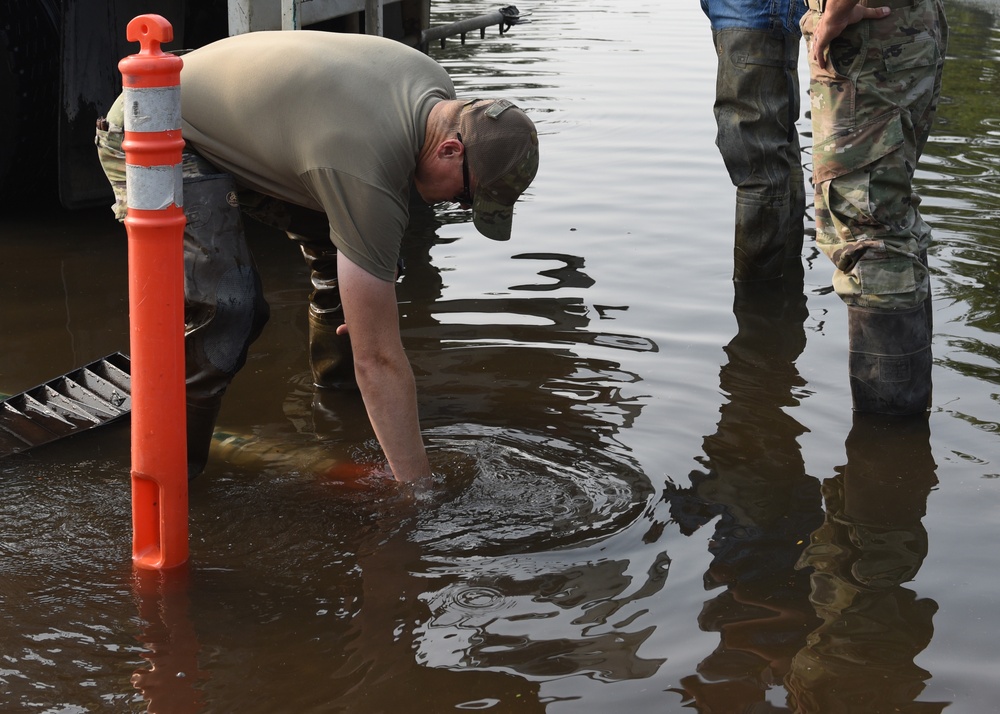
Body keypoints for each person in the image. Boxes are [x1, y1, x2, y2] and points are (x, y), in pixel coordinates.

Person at [95, 30, 539, 484]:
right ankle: (174, 477)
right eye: (465, 197)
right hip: (154, 124)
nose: (454, 205)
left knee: (362, 279)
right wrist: (419, 490)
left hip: (239, 118)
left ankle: (340, 413)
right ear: (450, 150)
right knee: (229, 310)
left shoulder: (435, 92)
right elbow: (379, 358)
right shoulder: (365, 163)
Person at [801, 0, 947, 415]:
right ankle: (905, 457)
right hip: (903, 24)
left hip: (869, 34)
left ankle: (887, 439)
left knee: (868, 228)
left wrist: (835, 13)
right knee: (887, 213)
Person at [700, 0, 807, 284]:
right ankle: (782, 303)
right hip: (753, 13)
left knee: (756, 157)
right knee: (775, 146)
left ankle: (758, 308)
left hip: (755, 11)